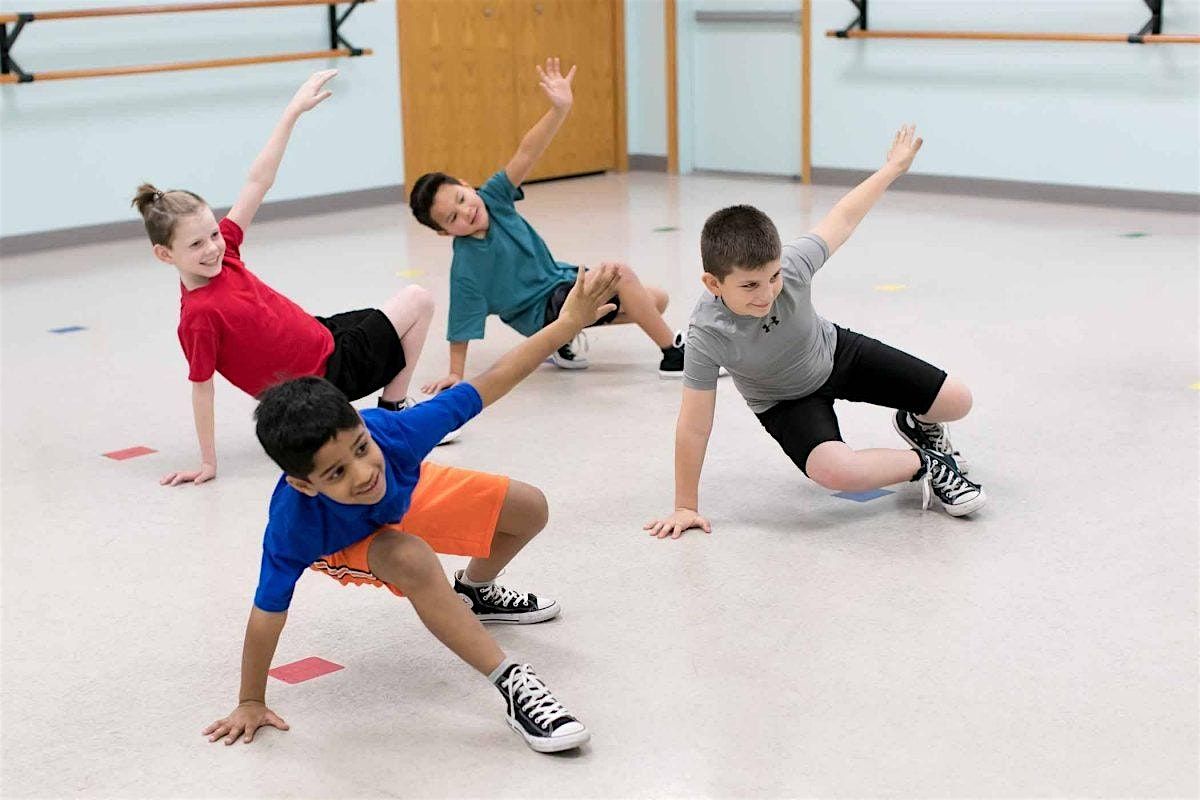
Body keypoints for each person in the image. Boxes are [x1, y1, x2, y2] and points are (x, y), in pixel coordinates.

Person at [203, 264, 622, 753]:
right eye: (336, 472)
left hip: (402, 495)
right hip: (344, 539)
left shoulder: (392, 435)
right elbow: (266, 615)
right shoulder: (294, 527)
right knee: (412, 558)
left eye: (359, 448)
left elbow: (492, 381)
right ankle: (513, 683)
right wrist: (251, 699)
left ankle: (476, 592)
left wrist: (567, 325)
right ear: (304, 483)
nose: (361, 473)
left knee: (529, 507)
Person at [646, 126, 985, 540]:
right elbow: (694, 425)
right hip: (784, 401)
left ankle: (919, 423)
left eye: (772, 278)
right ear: (713, 284)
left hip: (836, 353)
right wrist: (685, 506)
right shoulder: (706, 333)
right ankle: (928, 463)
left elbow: (842, 216)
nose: (768, 293)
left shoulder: (791, 265)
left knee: (958, 401)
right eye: (750, 286)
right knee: (835, 471)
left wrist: (892, 168)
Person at [133, 70, 448, 488]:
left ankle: (390, 407)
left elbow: (257, 181)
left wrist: (292, 113)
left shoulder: (225, 251)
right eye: (196, 245)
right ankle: (393, 412)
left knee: (384, 315)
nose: (212, 248)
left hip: (322, 334)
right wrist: (208, 463)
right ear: (164, 254)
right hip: (324, 375)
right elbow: (202, 389)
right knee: (418, 299)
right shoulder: (199, 316)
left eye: (212, 234)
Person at [408, 57, 684, 390]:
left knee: (655, 301)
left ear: (467, 185)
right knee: (619, 274)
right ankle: (673, 355)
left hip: (560, 285)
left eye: (462, 199)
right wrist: (455, 373)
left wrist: (559, 110)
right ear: (444, 232)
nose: (466, 212)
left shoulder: (493, 197)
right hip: (543, 313)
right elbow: (461, 323)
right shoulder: (467, 265)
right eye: (453, 218)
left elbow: (527, 152)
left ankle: (559, 341)